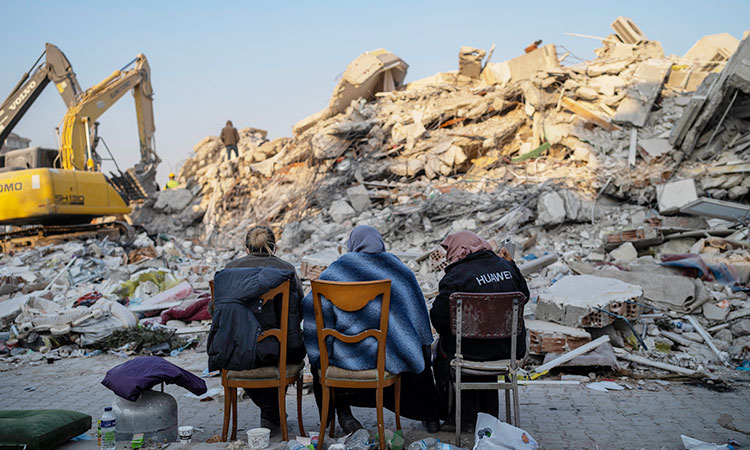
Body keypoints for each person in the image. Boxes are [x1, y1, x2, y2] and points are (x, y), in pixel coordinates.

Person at [301, 225, 442, 433]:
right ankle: (429, 415)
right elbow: (417, 312)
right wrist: (421, 343)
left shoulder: (335, 272)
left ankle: (342, 413)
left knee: (320, 358)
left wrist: (319, 352)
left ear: (352, 245)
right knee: (415, 351)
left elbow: (311, 307)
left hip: (346, 357)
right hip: (388, 356)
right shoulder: (398, 270)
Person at [208, 225, 305, 434]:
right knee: (280, 347)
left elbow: (214, 311)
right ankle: (272, 412)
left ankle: (270, 412)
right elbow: (301, 308)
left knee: (242, 349)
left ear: (246, 249)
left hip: (238, 353)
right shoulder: (286, 269)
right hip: (281, 352)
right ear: (275, 248)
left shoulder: (229, 271)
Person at [430, 230, 529, 432]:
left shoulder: (455, 277)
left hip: (468, 353)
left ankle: (461, 418)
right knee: (477, 345)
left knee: (443, 350)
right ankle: (488, 414)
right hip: (508, 351)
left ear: (460, 250)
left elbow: (438, 318)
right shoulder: (508, 267)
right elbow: (524, 296)